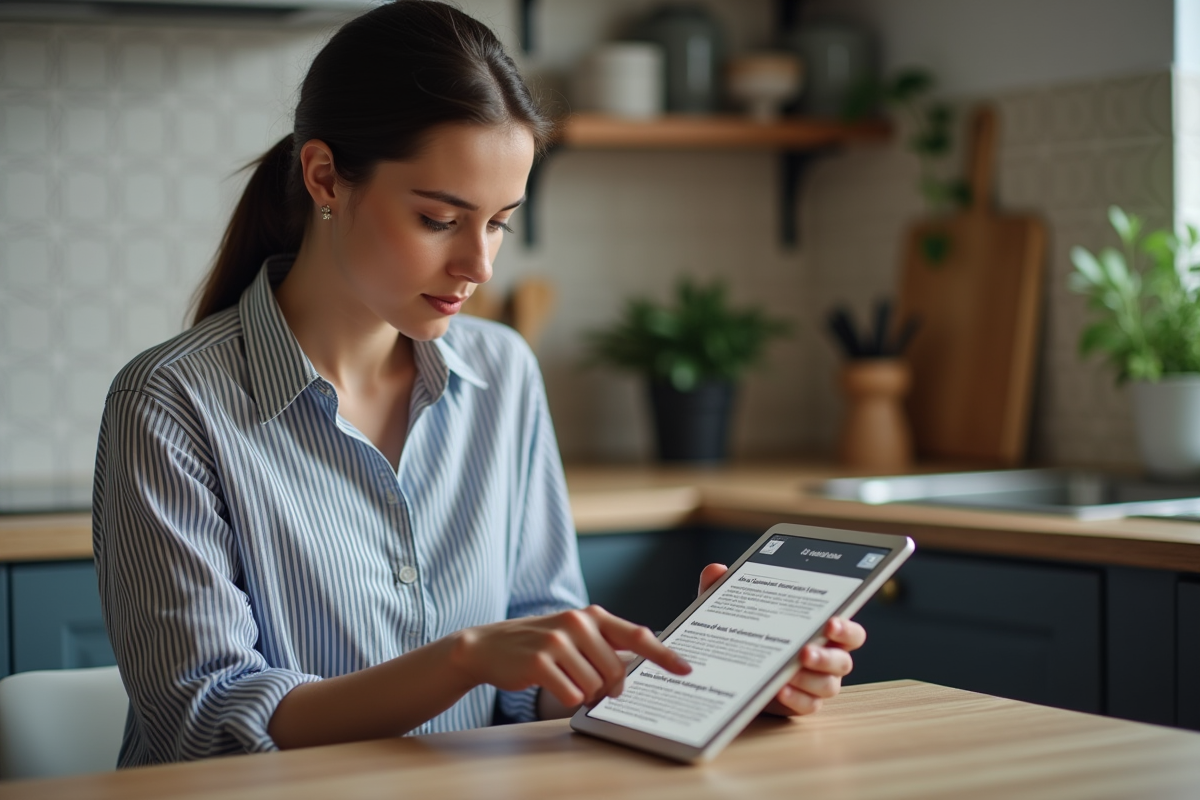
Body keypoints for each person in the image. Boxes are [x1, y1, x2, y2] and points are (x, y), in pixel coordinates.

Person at [92, 0, 866, 768]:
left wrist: (703, 673)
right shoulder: (167, 403)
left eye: (499, 221)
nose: (481, 265)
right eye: (439, 219)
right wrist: (461, 660)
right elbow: (205, 720)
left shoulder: (503, 372)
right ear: (325, 176)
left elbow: (537, 671)